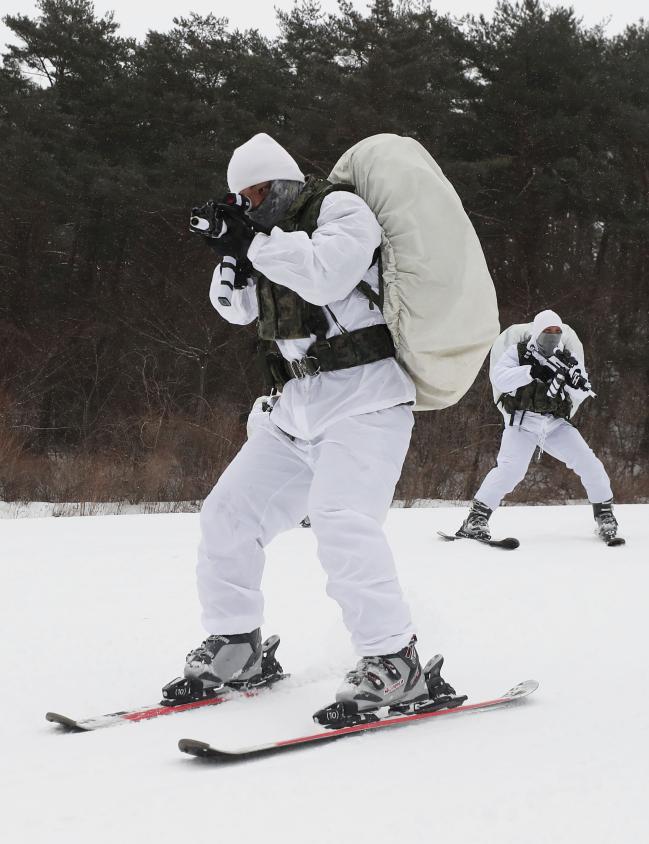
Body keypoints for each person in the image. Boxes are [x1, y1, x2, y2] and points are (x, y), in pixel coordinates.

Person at [173, 132, 439, 713]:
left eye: (259, 191)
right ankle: (237, 643)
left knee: (341, 520)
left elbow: (326, 275)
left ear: (285, 183)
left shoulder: (340, 209)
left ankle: (395, 659)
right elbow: (237, 310)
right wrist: (229, 256)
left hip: (367, 398)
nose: (251, 204)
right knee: (227, 514)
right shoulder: (264, 238)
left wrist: (254, 241)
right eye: (242, 199)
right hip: (296, 403)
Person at [457, 309, 621, 543]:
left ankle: (605, 516)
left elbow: (580, 391)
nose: (552, 335)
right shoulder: (519, 352)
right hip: (522, 423)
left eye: (557, 331)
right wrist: (530, 371)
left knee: (590, 464)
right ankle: (475, 520)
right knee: (510, 470)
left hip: (554, 424)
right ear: (537, 331)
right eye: (547, 330)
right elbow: (499, 378)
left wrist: (576, 381)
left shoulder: (566, 358)